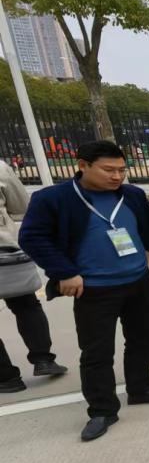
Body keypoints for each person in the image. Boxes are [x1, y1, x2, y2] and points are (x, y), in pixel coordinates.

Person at [18, 140, 149, 440]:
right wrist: (65, 272)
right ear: (82, 165)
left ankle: (141, 388)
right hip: (94, 289)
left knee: (142, 340)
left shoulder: (131, 195)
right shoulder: (55, 199)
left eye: (121, 170)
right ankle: (102, 410)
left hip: (137, 282)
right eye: (108, 170)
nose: (117, 176)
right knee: (97, 352)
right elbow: (33, 237)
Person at [0, 159, 67, 392]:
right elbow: (21, 206)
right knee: (26, 304)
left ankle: (6, 378)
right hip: (5, 251)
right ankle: (43, 359)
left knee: (26, 305)